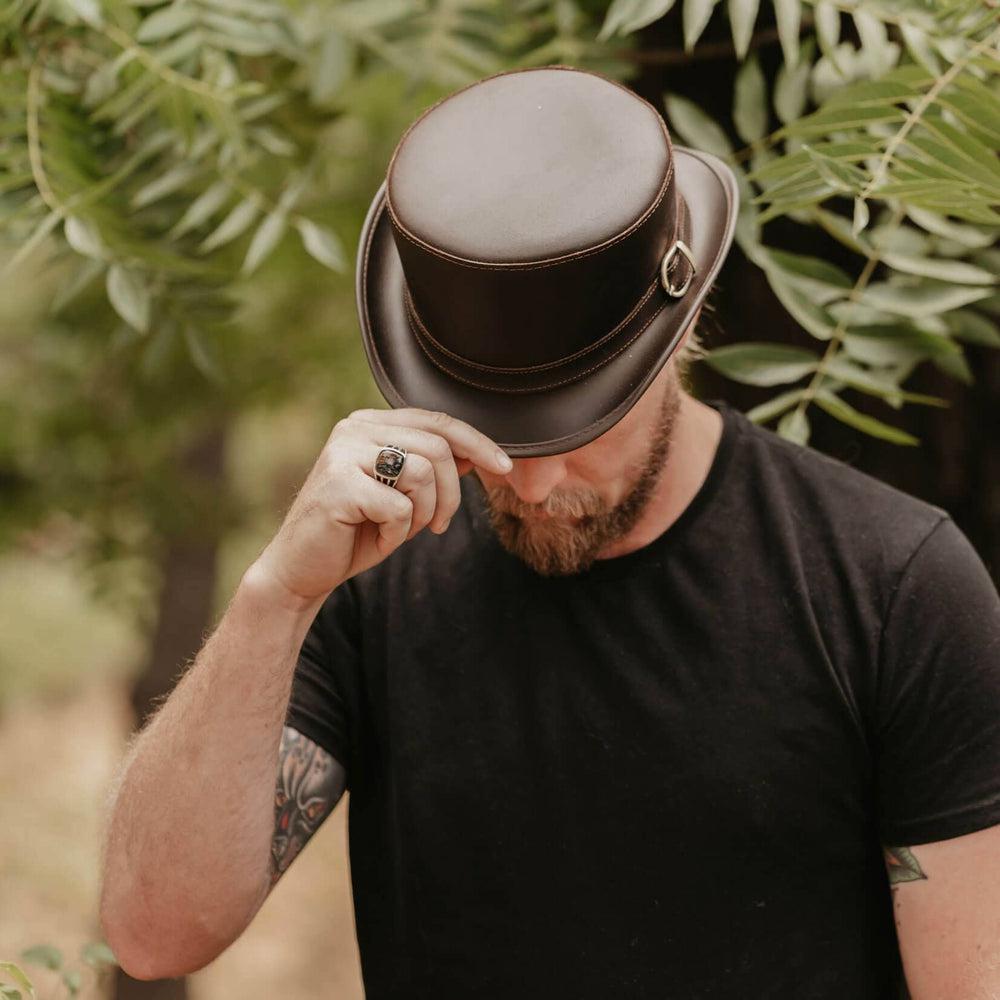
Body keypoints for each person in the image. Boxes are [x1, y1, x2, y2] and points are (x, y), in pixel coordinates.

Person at [99, 67, 1000, 998]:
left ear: (678, 329)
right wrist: (275, 598)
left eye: (577, 418)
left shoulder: (895, 586)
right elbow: (153, 933)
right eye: (489, 418)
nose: (527, 478)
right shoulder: (370, 565)